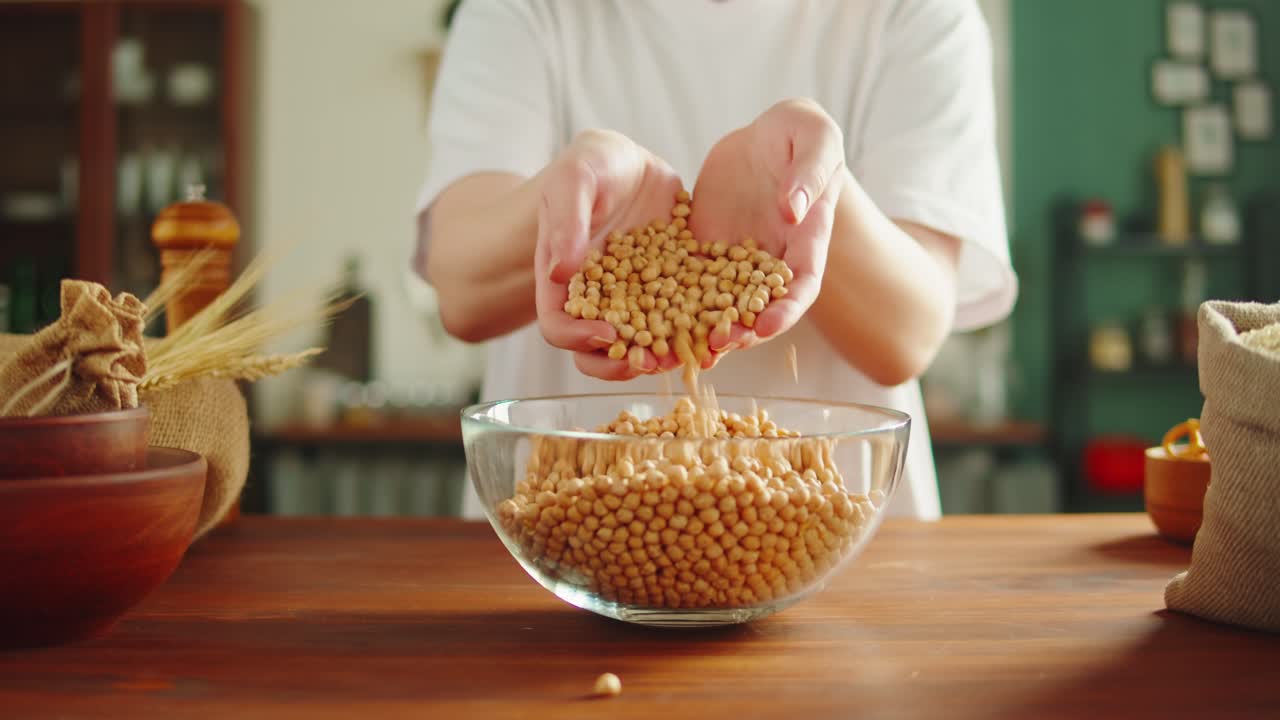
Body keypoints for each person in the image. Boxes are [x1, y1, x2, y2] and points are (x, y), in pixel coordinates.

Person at [414, 0, 1017, 520]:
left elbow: (909, 334)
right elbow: (462, 288)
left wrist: (810, 189)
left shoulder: (914, 12)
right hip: (564, 530)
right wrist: (571, 198)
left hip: (828, 531)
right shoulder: (524, 9)